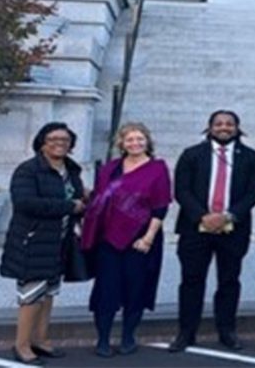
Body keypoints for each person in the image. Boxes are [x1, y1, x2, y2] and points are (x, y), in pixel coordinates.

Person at [168, 110, 255, 352]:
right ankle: (186, 332)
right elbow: (182, 190)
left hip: (234, 229)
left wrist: (227, 217)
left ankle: (227, 331)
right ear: (209, 127)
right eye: (219, 124)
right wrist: (204, 216)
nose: (224, 128)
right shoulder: (191, 155)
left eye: (229, 124)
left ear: (237, 127)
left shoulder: (252, 157)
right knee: (191, 280)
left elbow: (253, 193)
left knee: (229, 281)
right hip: (195, 228)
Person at [81, 122, 171, 357]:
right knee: (106, 290)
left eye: (140, 139)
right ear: (121, 143)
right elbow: (99, 201)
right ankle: (102, 339)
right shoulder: (110, 169)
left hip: (141, 240)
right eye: (130, 139)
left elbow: (160, 207)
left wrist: (148, 238)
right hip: (108, 239)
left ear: (147, 141)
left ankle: (128, 336)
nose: (135, 143)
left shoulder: (157, 169)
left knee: (136, 289)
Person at [0, 122, 85, 365]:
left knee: (48, 294)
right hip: (33, 241)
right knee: (31, 296)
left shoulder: (71, 170)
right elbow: (26, 202)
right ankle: (22, 345)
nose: (60, 144)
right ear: (42, 143)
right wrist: (69, 206)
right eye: (53, 139)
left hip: (60, 242)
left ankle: (40, 339)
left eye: (65, 140)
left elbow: (75, 197)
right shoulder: (28, 170)